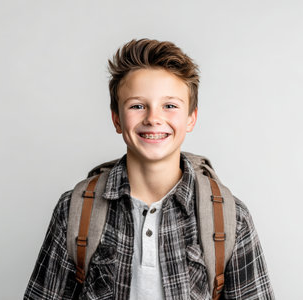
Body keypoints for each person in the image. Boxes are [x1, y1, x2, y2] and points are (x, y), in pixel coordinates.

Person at [24, 38, 275, 299]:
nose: (153, 118)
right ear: (116, 119)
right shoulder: (75, 210)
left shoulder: (230, 217)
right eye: (137, 106)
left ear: (191, 118)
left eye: (170, 106)